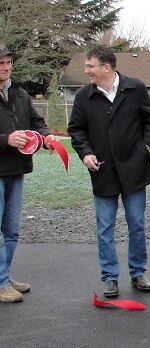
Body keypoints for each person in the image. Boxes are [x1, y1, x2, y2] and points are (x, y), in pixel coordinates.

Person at [68, 46, 150, 298]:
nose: (87, 71)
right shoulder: (83, 97)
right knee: (104, 228)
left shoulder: (135, 88)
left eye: (90, 66)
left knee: (137, 225)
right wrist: (85, 153)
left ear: (106, 67)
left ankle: (138, 271)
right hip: (102, 171)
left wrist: (146, 146)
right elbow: (76, 130)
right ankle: (109, 276)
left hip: (135, 170)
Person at [0, 44, 56, 303]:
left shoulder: (20, 93)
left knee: (11, 230)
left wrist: (46, 136)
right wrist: (6, 140)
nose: (6, 66)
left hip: (17, 169)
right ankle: (1, 282)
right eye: (1, 62)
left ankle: (3, 275)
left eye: (8, 61)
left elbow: (36, 122)